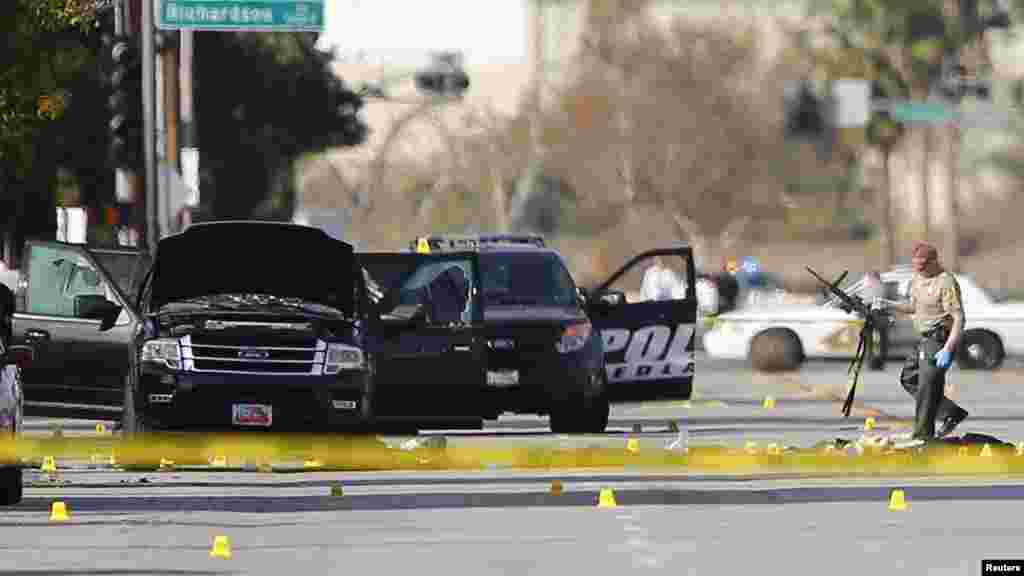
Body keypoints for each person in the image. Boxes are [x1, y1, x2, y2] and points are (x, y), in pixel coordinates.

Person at [873, 242, 969, 442]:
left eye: (923, 265)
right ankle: (950, 412)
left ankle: (922, 436)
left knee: (927, 386)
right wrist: (887, 304)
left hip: (940, 339)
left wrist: (948, 349)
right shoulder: (917, 279)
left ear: (934, 262)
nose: (919, 269)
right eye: (916, 265)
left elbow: (959, 318)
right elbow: (912, 307)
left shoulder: (945, 282)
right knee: (909, 378)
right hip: (925, 339)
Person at [862, 270, 889, 371]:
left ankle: (873, 362)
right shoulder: (881, 287)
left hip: (875, 313)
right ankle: (877, 362)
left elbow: (865, 301)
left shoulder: (870, 287)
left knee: (871, 340)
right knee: (880, 340)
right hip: (879, 313)